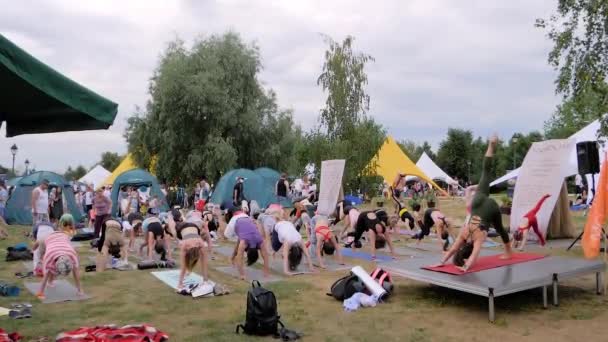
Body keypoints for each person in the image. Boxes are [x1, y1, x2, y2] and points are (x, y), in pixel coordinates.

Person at [470, 134, 513, 259]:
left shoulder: (474, 238)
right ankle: (491, 145)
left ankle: (509, 252)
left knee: (499, 228)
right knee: (486, 171)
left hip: (488, 208)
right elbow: (456, 247)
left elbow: (463, 248)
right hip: (478, 200)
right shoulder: (465, 234)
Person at [36, 220, 83, 299]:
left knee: (53, 268)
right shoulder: (49, 256)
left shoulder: (73, 255)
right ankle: (49, 282)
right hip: (48, 237)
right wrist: (40, 293)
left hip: (63, 236)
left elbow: (76, 273)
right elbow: (46, 273)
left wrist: (80, 290)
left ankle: (50, 282)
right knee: (48, 267)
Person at [223, 212, 270, 280]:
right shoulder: (245, 242)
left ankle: (231, 258)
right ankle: (231, 258)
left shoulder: (259, 240)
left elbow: (265, 256)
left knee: (240, 239)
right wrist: (242, 274)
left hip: (247, 217)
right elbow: (239, 258)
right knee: (226, 236)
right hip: (235, 219)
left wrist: (266, 270)